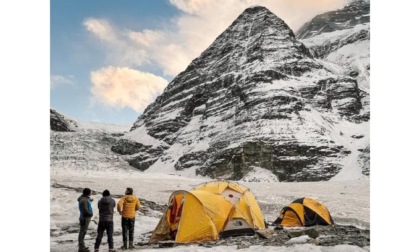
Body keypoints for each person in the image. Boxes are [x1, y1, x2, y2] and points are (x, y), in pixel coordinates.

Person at [78, 188, 94, 252]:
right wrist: (90, 214)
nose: (91, 193)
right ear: (88, 193)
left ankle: (82, 247)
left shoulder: (83, 198)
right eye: (90, 192)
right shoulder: (84, 200)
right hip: (85, 218)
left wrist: (89, 199)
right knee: (82, 233)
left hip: (83, 217)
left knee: (83, 232)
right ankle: (81, 248)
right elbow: (85, 210)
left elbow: (82, 198)